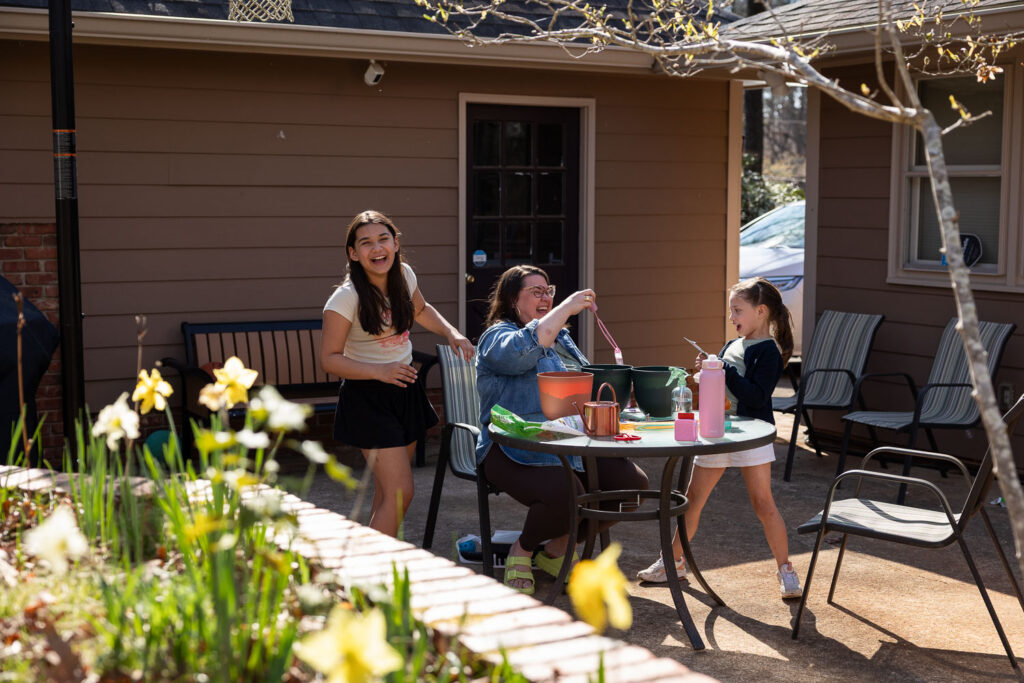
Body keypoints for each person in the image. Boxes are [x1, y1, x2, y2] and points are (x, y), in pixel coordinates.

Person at [475, 265, 649, 594]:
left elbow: (584, 383)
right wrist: (566, 306)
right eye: (536, 292)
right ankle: (522, 550)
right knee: (568, 492)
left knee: (632, 488)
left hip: (569, 443)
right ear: (513, 300)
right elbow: (520, 355)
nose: (546, 297)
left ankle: (557, 549)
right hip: (512, 447)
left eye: (548, 291)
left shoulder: (562, 338)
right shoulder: (496, 338)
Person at [637, 277, 803, 599]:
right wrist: (710, 369)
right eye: (731, 311)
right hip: (716, 432)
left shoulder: (767, 352)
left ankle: (786, 570)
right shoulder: (731, 346)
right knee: (693, 501)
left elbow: (757, 397)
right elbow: (722, 387)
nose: (732, 318)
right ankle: (672, 562)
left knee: (763, 504)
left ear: (761, 311)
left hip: (752, 437)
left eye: (737, 311)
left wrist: (725, 370)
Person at [320, 210, 474, 538]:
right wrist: (380, 371)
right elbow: (330, 360)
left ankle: (374, 564)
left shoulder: (404, 275)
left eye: (383, 239)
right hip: (368, 399)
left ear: (395, 243)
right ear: (353, 253)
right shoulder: (345, 298)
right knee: (401, 492)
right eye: (366, 243)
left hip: (405, 390)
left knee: (387, 492)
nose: (376, 248)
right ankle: (369, 573)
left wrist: (452, 333)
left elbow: (420, 309)